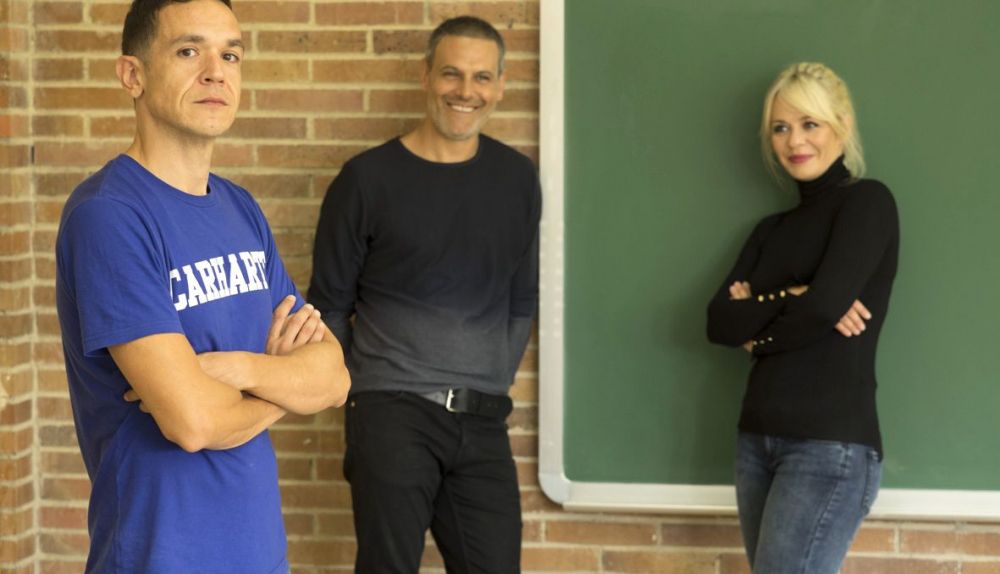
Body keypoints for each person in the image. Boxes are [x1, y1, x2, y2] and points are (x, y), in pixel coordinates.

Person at [54, 0, 350, 571]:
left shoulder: (240, 208)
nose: (216, 72)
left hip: (259, 552)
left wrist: (238, 371)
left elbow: (334, 376)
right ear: (132, 75)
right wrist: (283, 388)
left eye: (230, 55)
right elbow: (193, 423)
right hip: (160, 556)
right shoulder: (109, 215)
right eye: (189, 51)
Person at [308, 15, 541, 573]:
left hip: (483, 419)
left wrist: (490, 378)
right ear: (426, 76)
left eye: (482, 77)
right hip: (393, 413)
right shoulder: (366, 180)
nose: (466, 91)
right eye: (452, 74)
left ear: (500, 86)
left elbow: (521, 300)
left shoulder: (517, 178)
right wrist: (361, 394)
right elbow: (330, 306)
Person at [706, 62, 899, 574]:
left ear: (842, 125)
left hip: (828, 445)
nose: (795, 141)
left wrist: (758, 331)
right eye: (781, 127)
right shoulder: (770, 229)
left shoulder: (867, 203)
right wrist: (794, 294)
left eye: (810, 123)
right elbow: (719, 322)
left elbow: (822, 307)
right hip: (756, 440)